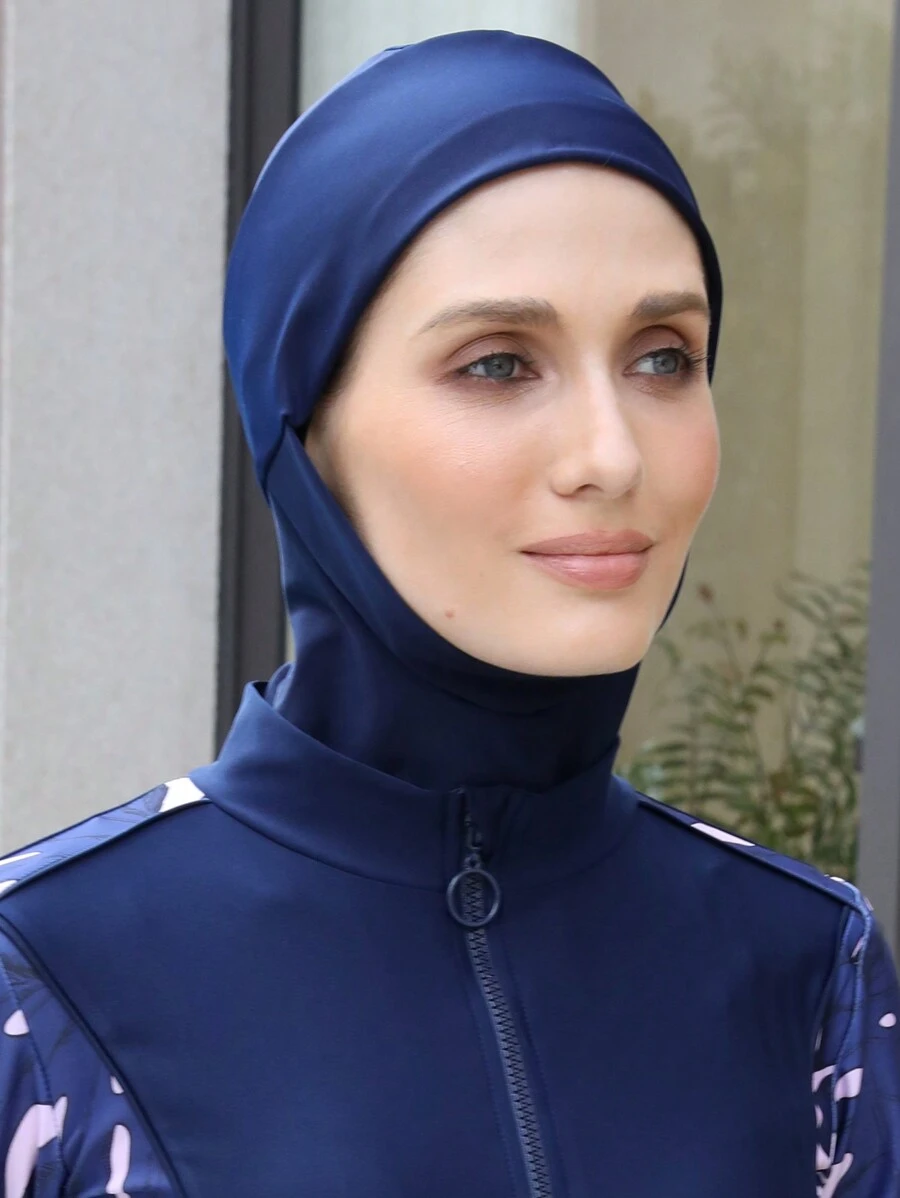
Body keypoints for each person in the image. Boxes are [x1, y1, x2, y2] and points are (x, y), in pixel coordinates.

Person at [0, 29, 896, 1198]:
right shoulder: (47, 974)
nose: (612, 454)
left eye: (664, 357)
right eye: (498, 363)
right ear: (303, 427)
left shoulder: (806, 963)